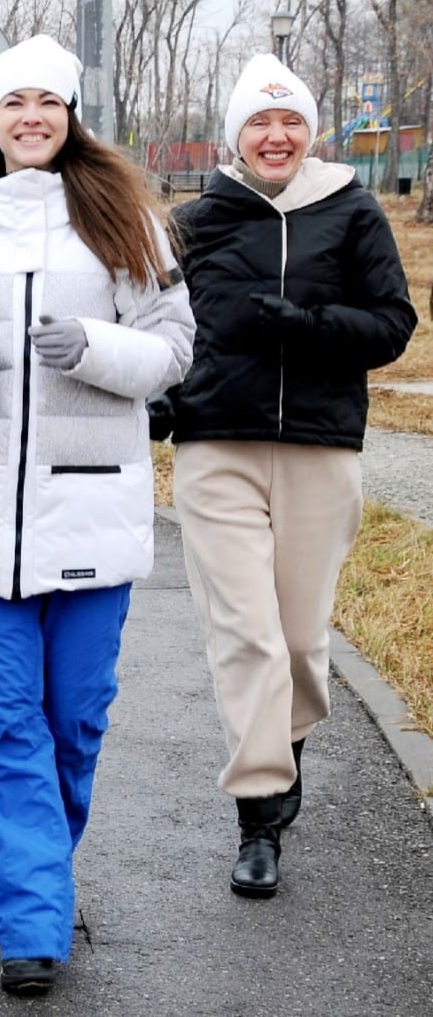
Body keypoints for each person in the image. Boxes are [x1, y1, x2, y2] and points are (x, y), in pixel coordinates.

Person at [0, 35, 194, 996]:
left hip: (93, 518)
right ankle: (31, 920)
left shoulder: (126, 222)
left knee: (73, 721)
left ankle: (41, 876)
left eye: (48, 103)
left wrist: (94, 347)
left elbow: (174, 350)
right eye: (14, 103)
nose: (31, 118)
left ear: (72, 117)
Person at [156, 53, 415, 899]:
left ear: (312, 131)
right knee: (248, 637)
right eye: (259, 122)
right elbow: (161, 327)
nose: (276, 135)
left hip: (319, 447)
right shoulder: (193, 223)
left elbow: (392, 325)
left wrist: (308, 325)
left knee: (300, 643)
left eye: (291, 120)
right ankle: (259, 816)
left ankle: (286, 747)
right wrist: (159, 396)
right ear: (236, 135)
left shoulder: (352, 209)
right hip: (216, 448)